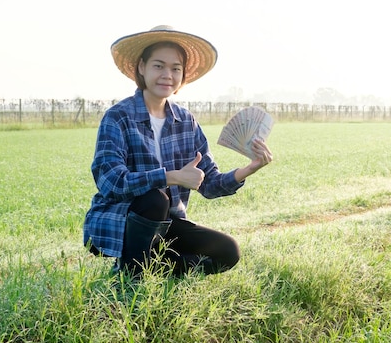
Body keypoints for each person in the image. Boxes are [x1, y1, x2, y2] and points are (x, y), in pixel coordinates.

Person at [83, 25, 273, 278]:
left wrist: (250, 167)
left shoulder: (186, 121)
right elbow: (110, 181)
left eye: (176, 68)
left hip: (168, 225)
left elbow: (210, 183)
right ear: (142, 67)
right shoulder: (118, 117)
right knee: (155, 198)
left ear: (183, 75)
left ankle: (149, 267)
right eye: (158, 66)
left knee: (228, 251)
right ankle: (130, 274)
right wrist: (170, 176)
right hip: (121, 222)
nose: (167, 75)